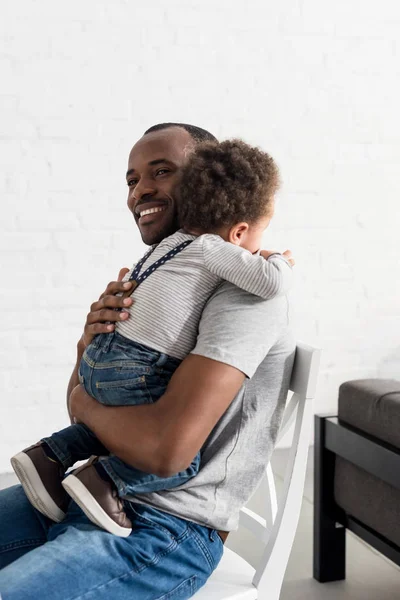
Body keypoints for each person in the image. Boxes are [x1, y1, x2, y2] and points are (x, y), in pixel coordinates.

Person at [0, 123, 295, 600]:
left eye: (162, 172)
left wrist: (85, 398)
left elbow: (164, 452)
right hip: (88, 493)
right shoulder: (166, 274)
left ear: (206, 179)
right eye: (132, 179)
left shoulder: (243, 293)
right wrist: (88, 344)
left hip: (166, 528)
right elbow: (87, 419)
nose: (142, 190)